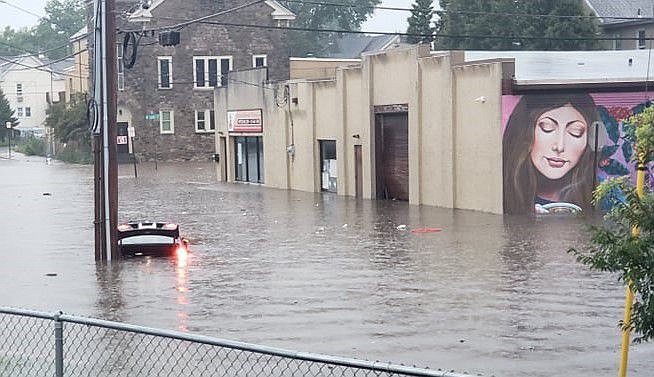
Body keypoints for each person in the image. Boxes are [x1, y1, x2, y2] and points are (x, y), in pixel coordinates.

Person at [503, 93, 598, 214]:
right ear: (524, 132)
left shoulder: (606, 194)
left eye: (576, 132)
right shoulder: (497, 192)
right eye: (547, 127)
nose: (559, 146)